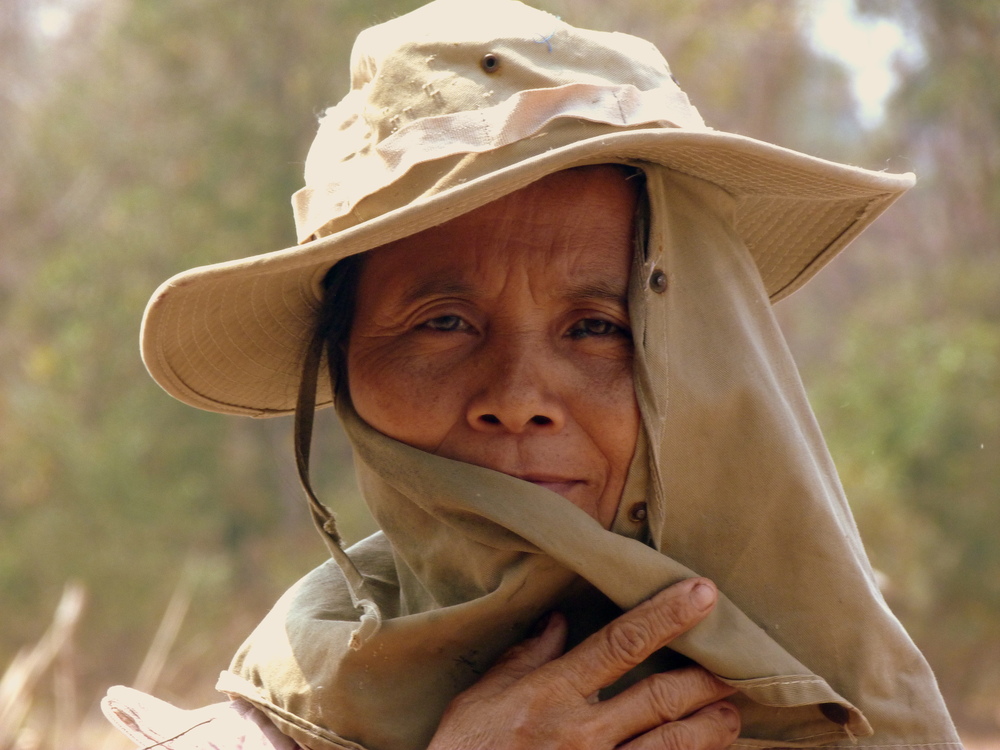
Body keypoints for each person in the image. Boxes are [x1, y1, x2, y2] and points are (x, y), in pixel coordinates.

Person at [103, 1, 963, 749]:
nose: (516, 399)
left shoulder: (849, 710)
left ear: (702, 360)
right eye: (442, 324)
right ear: (344, 369)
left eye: (599, 329)